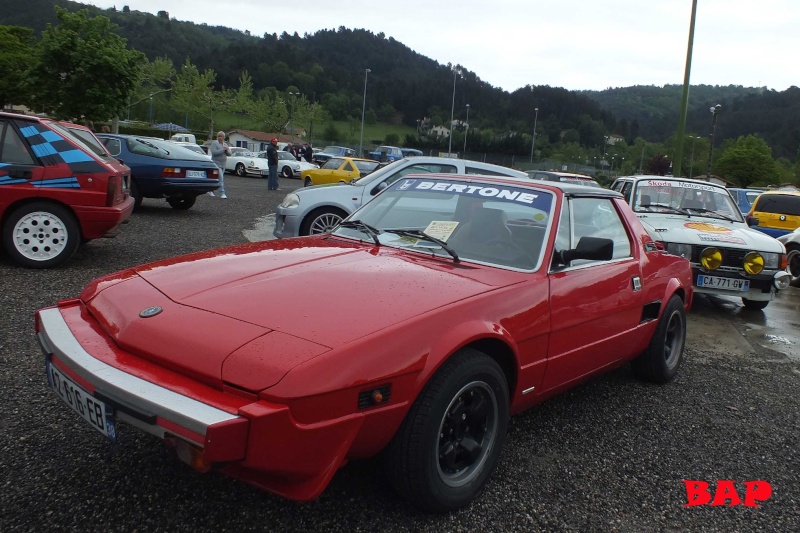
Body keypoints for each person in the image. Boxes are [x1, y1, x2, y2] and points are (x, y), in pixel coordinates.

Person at [209, 131, 231, 198]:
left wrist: (227, 150)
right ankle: (222, 193)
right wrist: (223, 149)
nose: (220, 138)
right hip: (216, 164)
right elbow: (214, 153)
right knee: (221, 178)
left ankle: (211, 190)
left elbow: (230, 154)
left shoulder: (225, 144)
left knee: (217, 179)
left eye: (221, 136)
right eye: (219, 136)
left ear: (224, 137)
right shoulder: (214, 144)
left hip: (223, 165)